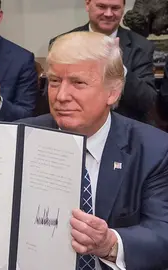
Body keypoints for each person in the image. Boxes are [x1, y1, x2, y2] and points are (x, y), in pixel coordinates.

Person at [22, 31, 168, 269]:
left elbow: (162, 233)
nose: (61, 96)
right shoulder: (22, 138)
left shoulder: (153, 150)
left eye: (78, 83)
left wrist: (110, 244)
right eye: (55, 81)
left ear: (113, 92)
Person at [49, 0, 157, 124]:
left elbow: (148, 101)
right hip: (73, 126)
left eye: (115, 8)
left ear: (123, 8)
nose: (108, 14)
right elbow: (53, 93)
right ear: (87, 4)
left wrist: (119, 67)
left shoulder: (141, 46)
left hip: (124, 129)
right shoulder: (62, 43)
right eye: (101, 6)